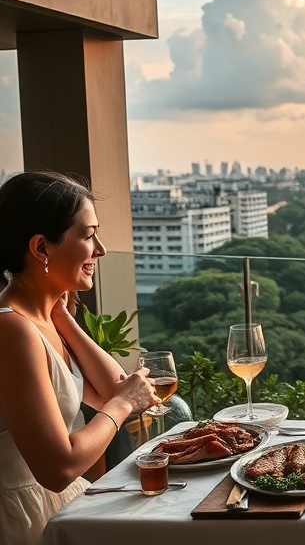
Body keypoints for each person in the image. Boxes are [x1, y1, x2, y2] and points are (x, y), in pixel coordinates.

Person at [0, 171, 158, 545]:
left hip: (52, 506)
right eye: (88, 236)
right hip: (22, 518)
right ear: (41, 249)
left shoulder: (40, 320)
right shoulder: (13, 331)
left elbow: (111, 389)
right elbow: (58, 468)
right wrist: (121, 404)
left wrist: (64, 317)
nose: (100, 249)